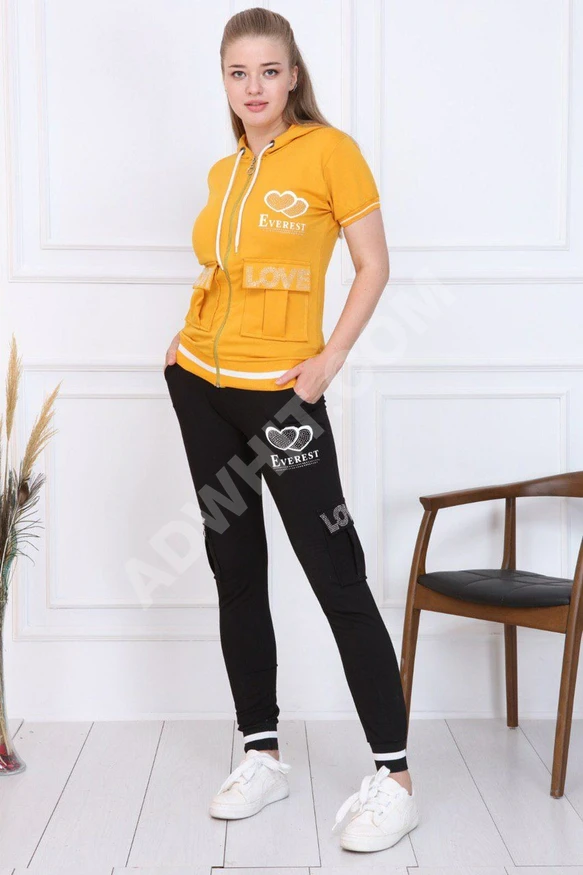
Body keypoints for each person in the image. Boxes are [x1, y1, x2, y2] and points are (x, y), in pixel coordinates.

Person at [164, 6, 419, 854]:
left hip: (282, 400)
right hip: (201, 388)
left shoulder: (329, 152)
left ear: (293, 75)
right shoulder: (224, 168)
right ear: (224, 81)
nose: (254, 87)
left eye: (268, 71)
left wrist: (329, 359)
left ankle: (395, 777)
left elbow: (373, 263)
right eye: (238, 73)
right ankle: (260, 752)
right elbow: (222, 273)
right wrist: (181, 345)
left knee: (334, 572)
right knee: (234, 567)